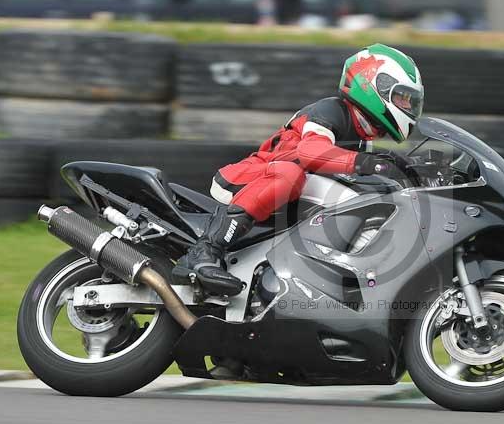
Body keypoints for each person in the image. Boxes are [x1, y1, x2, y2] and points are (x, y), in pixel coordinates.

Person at [173, 44, 424, 295]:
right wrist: (366, 163)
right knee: (290, 174)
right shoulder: (331, 111)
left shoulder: (361, 135)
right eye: (402, 98)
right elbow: (310, 154)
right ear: (372, 84)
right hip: (253, 177)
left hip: (288, 193)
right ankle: (204, 251)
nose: (407, 106)